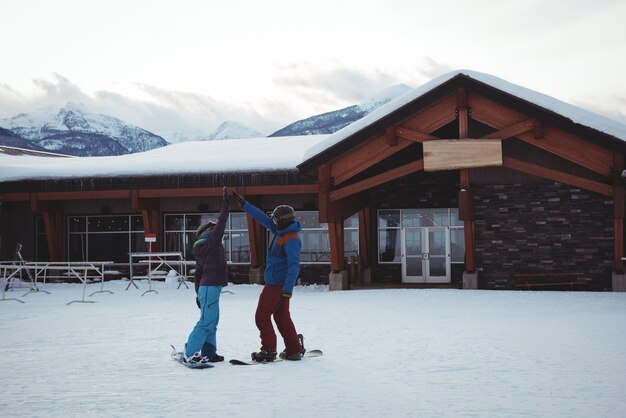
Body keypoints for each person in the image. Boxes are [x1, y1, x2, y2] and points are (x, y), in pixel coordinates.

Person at [232, 190, 305, 361]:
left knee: (261, 316)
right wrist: (245, 205)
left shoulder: (291, 238)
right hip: (277, 284)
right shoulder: (281, 231)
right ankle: (293, 349)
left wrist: (287, 290)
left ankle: (268, 349)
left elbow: (294, 266)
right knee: (282, 318)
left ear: (283, 221)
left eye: (276, 220)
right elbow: (263, 218)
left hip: (277, 285)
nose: (273, 222)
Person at [183, 186, 229, 364]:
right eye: (211, 229)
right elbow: (222, 223)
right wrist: (225, 205)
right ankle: (191, 352)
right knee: (206, 323)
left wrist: (198, 295)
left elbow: (198, 275)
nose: (214, 230)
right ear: (206, 234)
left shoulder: (204, 248)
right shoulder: (210, 243)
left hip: (208, 289)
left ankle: (209, 353)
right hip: (210, 288)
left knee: (212, 322)